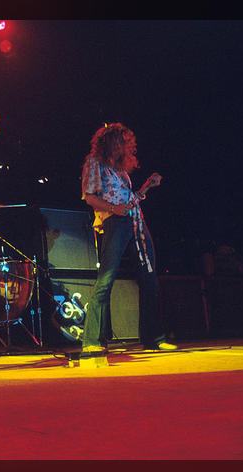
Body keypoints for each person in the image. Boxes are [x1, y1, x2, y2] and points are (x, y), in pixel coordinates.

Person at [79, 123, 177, 353]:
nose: (127, 146)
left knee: (149, 278)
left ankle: (154, 337)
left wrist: (146, 186)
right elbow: (89, 197)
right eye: (123, 141)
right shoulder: (95, 163)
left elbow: (130, 199)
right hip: (116, 222)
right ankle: (92, 340)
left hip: (136, 221)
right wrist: (113, 208)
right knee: (106, 279)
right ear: (112, 142)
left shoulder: (121, 170)